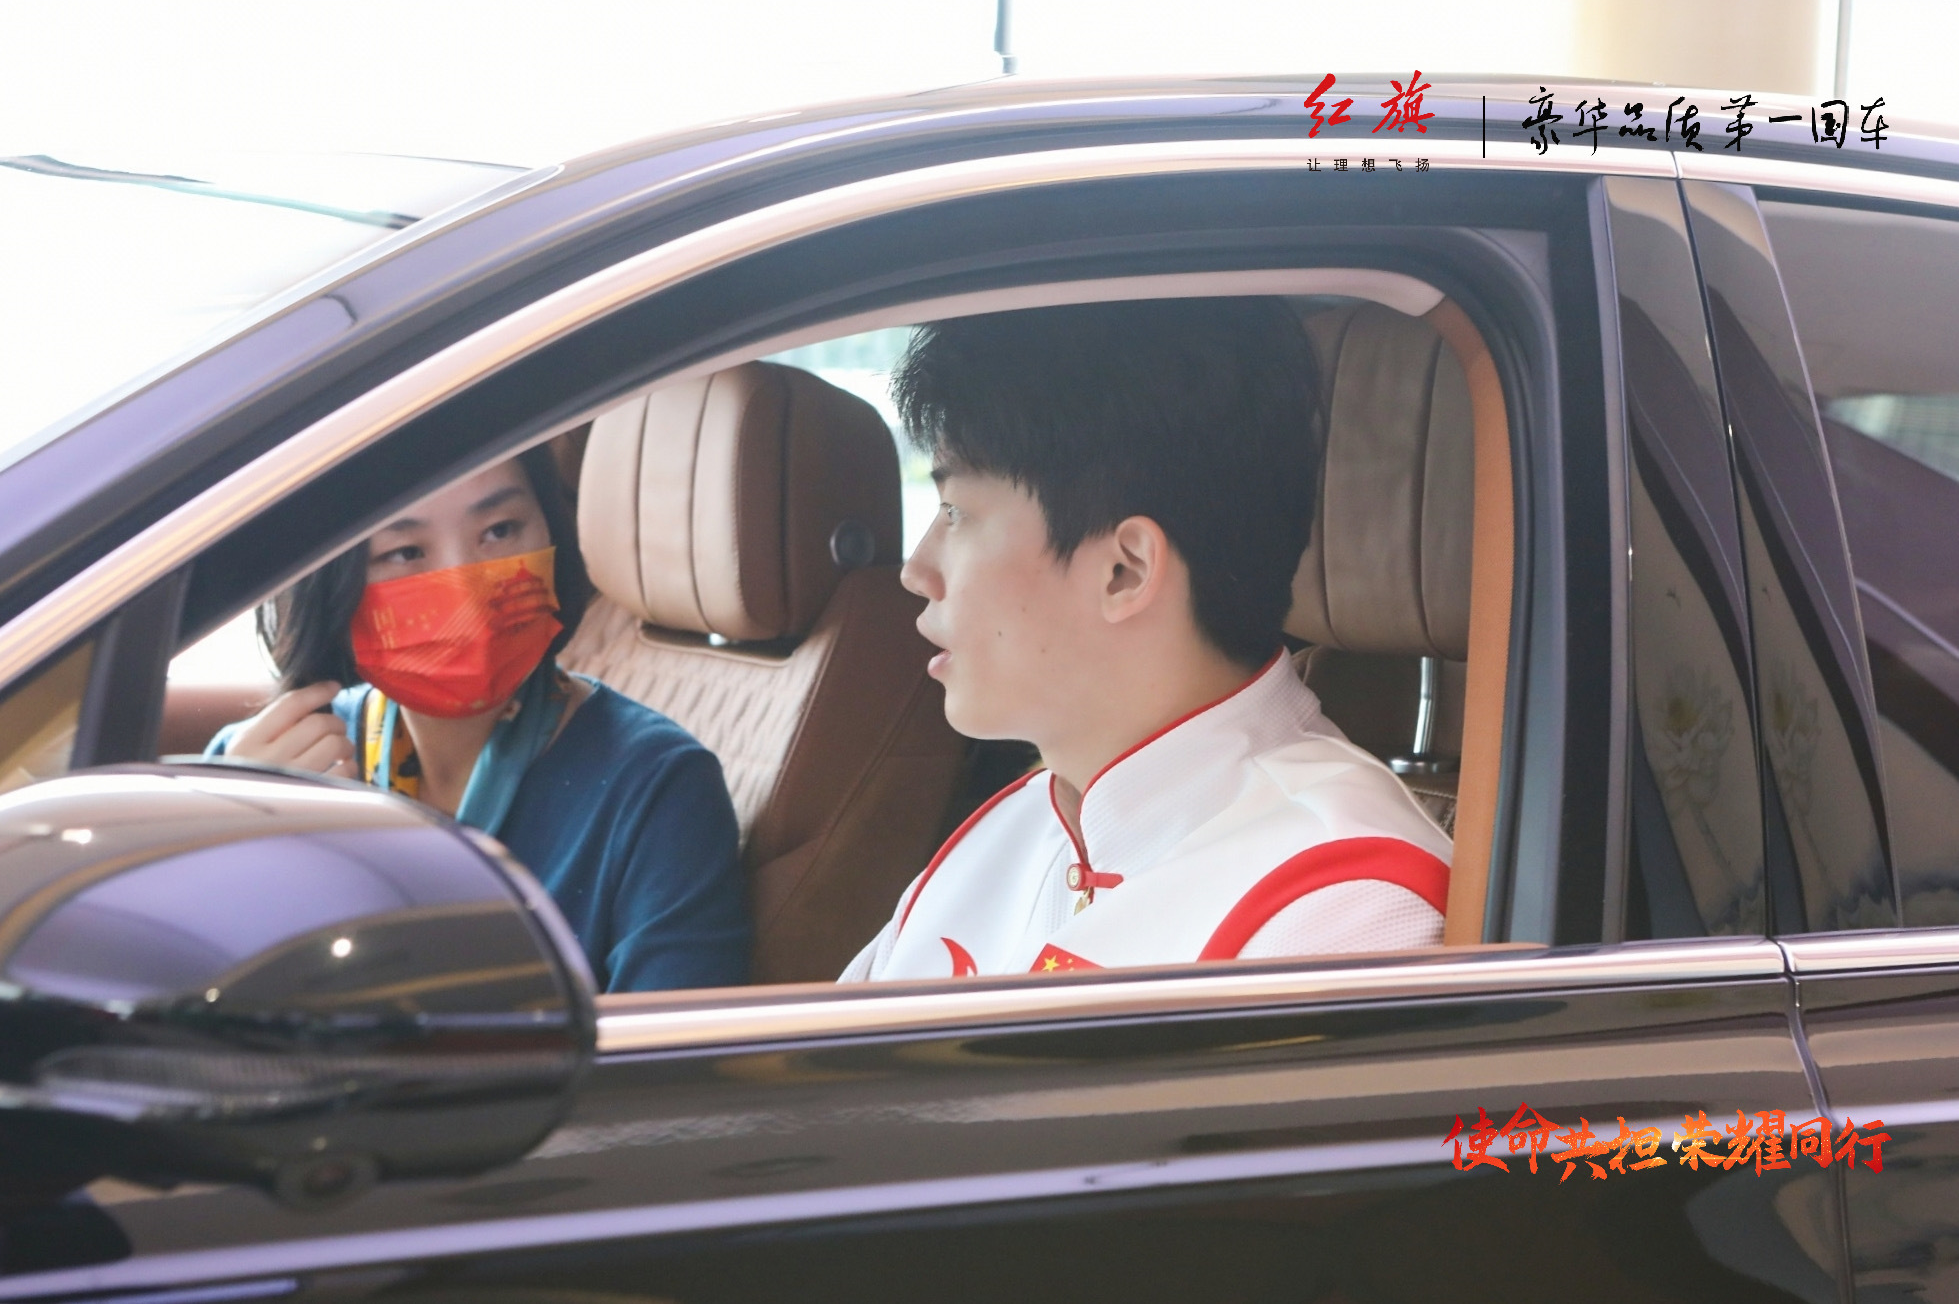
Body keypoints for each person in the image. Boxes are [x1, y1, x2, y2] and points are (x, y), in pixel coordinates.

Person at [841, 297, 1453, 982]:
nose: (915, 570)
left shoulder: (1336, 906)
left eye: (955, 511)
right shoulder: (1005, 831)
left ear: (1123, 570)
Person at [209, 448, 749, 993]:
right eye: (405, 552)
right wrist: (243, 864)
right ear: (334, 583)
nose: (466, 591)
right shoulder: (260, 774)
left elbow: (673, 1045)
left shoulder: (659, 787)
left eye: (500, 531)